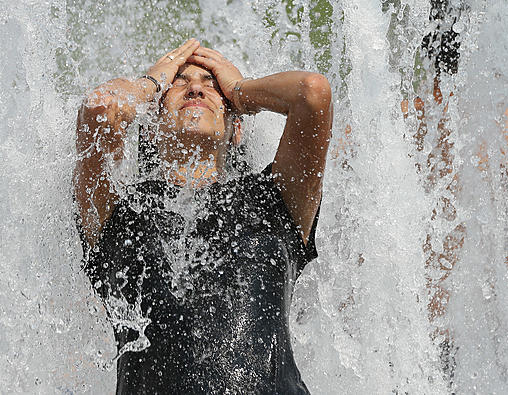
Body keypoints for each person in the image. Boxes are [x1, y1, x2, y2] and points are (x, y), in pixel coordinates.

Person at [74, 38, 332, 394]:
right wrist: (150, 84)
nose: (196, 87)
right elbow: (101, 109)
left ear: (236, 128)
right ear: (150, 125)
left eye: (213, 85)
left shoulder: (274, 202)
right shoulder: (121, 213)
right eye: (179, 82)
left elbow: (311, 94)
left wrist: (241, 92)